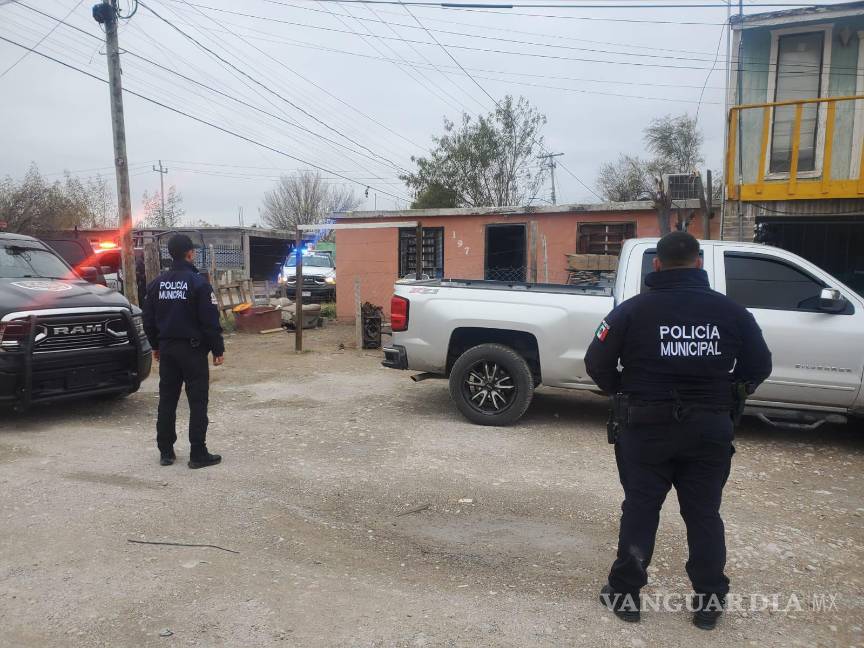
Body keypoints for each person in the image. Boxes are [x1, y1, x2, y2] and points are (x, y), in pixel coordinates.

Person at [584, 231, 771, 630]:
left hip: (646, 428)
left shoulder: (632, 311)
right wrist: (729, 390)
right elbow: (760, 366)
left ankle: (626, 595)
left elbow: (596, 362)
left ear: (657, 265)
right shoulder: (733, 313)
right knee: (704, 514)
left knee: (640, 509)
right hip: (709, 429)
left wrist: (624, 391)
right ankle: (708, 603)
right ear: (699, 264)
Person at [142, 234, 224, 469]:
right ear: (190, 253)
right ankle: (198, 453)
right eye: (194, 252)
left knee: (167, 400)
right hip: (193, 351)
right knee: (197, 402)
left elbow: (148, 319)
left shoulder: (157, 284)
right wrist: (217, 349)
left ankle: (166, 452)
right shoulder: (198, 283)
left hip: (167, 349)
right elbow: (210, 321)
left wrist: (156, 345)